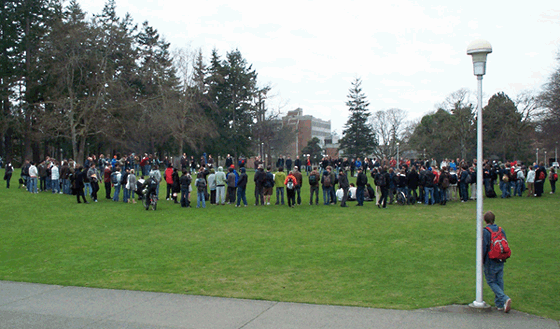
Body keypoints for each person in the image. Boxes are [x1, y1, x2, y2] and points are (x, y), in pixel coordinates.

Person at [483, 211, 512, 313]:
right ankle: (499, 304)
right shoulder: (501, 230)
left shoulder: (486, 231)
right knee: (499, 280)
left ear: (485, 220)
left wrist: (481, 260)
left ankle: (504, 299)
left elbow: (484, 247)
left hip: (490, 260)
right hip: (501, 258)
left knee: (491, 281)